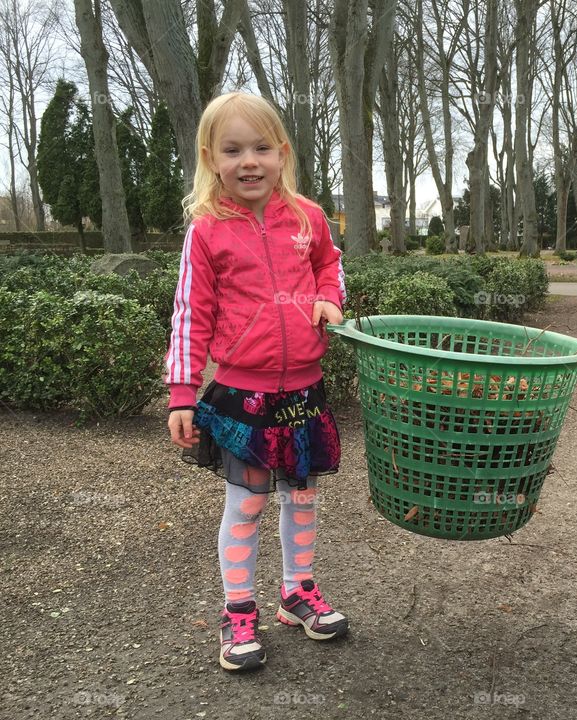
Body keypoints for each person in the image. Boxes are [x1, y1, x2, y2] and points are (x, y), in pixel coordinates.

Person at [165, 92, 348, 671]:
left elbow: (329, 261)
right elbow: (189, 313)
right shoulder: (206, 230)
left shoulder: (308, 216)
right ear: (210, 157)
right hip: (242, 395)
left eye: (262, 147)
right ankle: (239, 609)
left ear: (282, 153)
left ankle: (297, 593)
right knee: (246, 504)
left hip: (303, 391)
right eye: (233, 149)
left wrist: (327, 298)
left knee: (303, 495)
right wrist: (182, 394)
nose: (250, 160)